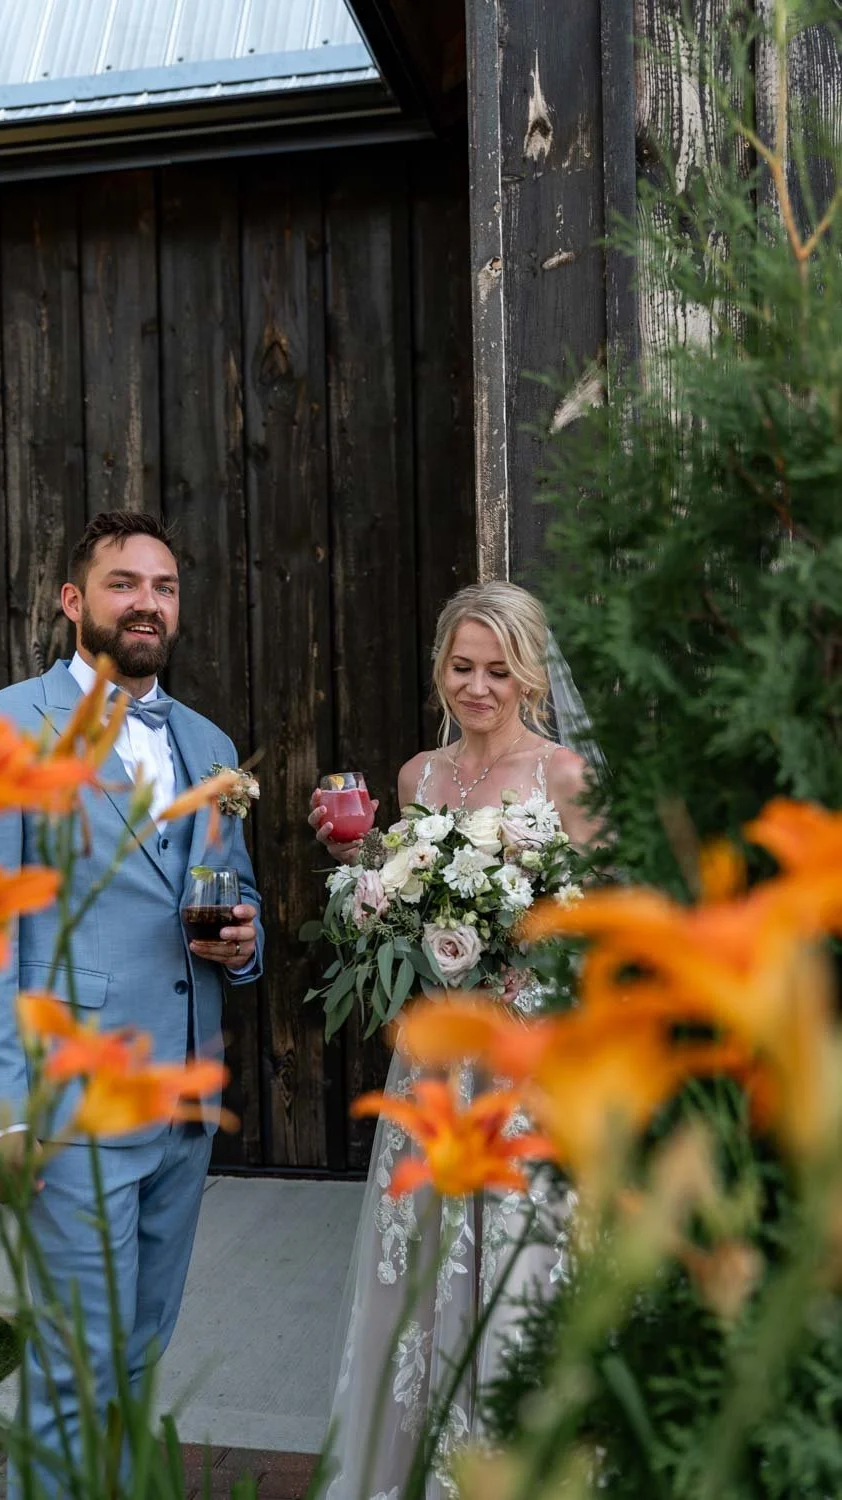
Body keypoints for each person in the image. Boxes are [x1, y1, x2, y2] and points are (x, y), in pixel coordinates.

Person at [0, 510, 263, 1497]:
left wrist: (244, 941)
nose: (147, 604)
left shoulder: (207, 743)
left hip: (182, 1106)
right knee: (75, 1363)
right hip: (67, 1110)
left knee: (132, 1357)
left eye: (163, 588)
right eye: (124, 584)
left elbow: (232, 893)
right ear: (72, 601)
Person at [308, 581, 598, 1500]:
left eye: (497, 670)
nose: (478, 687)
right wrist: (364, 886)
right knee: (427, 1265)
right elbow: (402, 911)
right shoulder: (416, 779)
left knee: (520, 1264)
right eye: (462, 667)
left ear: (529, 675)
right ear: (441, 669)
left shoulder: (564, 777)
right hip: (432, 1065)